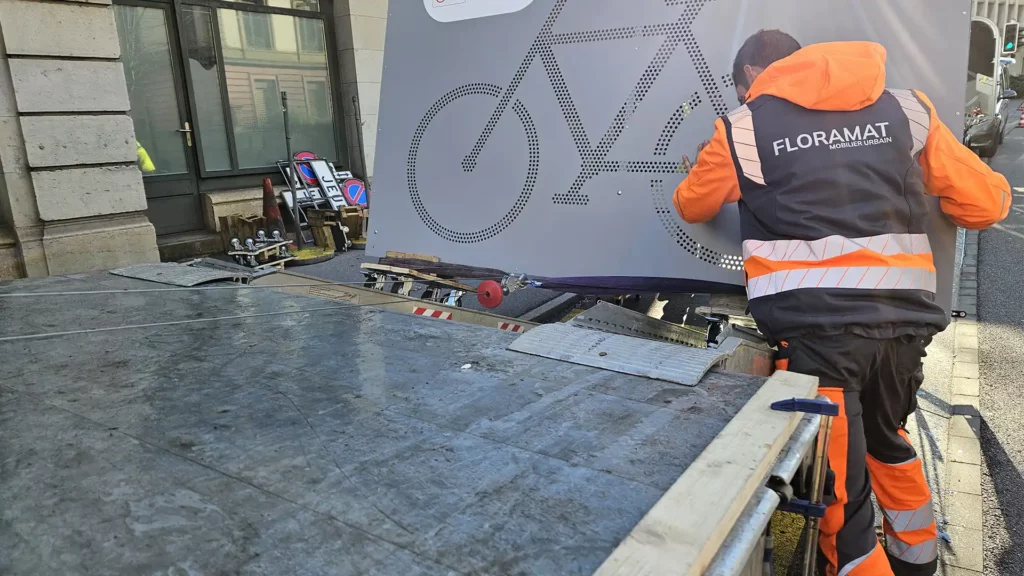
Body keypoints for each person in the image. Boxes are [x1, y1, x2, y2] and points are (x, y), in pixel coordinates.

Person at [673, 30, 1010, 576]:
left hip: (817, 336)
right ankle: (918, 563)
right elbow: (986, 203)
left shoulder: (746, 127)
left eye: (742, 91)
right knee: (889, 441)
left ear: (754, 78)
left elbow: (692, 204)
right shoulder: (907, 111)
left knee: (842, 500)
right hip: (902, 329)